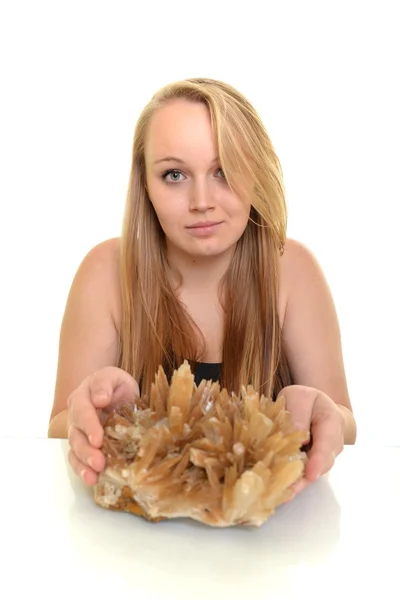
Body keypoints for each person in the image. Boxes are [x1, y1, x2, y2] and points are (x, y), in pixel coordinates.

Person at [48, 77, 357, 501]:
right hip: (132, 541)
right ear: (145, 186)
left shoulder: (293, 270)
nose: (201, 201)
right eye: (174, 174)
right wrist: (99, 414)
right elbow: (61, 424)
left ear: (257, 171)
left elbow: (345, 422)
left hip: (265, 543)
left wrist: (321, 410)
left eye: (223, 171)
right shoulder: (105, 271)